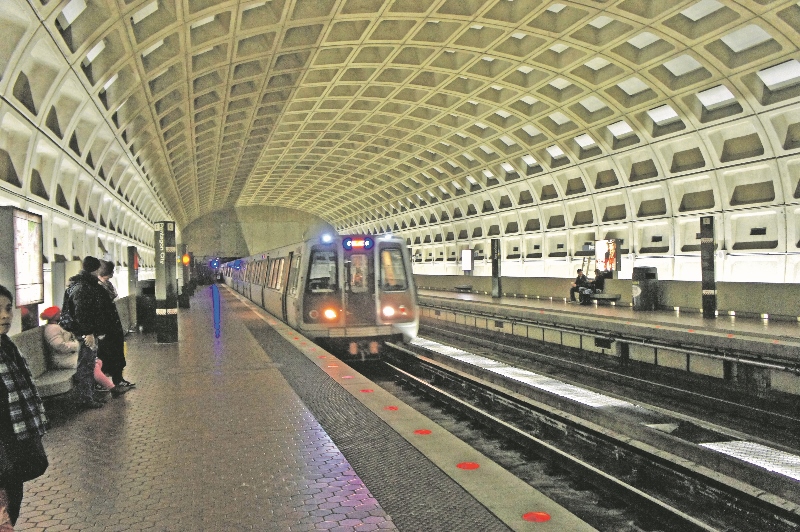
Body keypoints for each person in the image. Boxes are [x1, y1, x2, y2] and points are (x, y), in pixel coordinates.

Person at [0, 284, 49, 528]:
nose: (5, 315)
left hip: (12, 448)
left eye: (8, 308)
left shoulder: (8, 348)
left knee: (12, 507)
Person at [41, 307, 126, 397]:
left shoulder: (57, 326)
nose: (61, 314)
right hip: (61, 359)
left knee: (97, 362)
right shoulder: (52, 329)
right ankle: (112, 388)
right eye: (59, 313)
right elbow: (59, 346)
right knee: (91, 366)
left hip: (68, 356)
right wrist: (77, 345)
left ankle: (96, 386)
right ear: (54, 316)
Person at [61, 256, 108, 409]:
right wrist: (88, 333)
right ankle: (86, 399)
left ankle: (89, 396)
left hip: (87, 332)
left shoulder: (82, 284)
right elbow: (82, 312)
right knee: (86, 365)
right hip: (85, 333)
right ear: (96, 269)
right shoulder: (83, 287)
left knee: (89, 364)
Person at [95, 261, 134, 390]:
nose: (109, 277)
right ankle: (104, 382)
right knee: (105, 354)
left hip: (113, 326)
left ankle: (118, 379)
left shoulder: (108, 285)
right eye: (108, 274)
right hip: (105, 328)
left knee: (117, 353)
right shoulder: (96, 287)